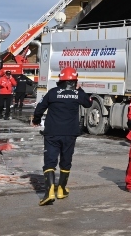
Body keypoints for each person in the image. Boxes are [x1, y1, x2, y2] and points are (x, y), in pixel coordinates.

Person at [31, 67, 91, 206]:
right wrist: (79, 90)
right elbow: (88, 103)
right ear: (75, 80)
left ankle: (49, 192)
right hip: (70, 133)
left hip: (52, 132)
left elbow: (40, 108)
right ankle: (61, 189)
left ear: (60, 79)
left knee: (50, 161)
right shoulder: (78, 94)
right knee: (66, 160)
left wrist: (36, 120)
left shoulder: (53, 93)